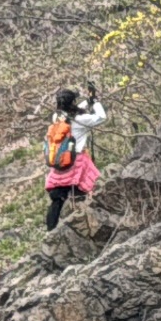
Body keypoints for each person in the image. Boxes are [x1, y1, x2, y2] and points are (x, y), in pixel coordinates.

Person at [43, 86, 106, 232]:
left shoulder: (57, 118)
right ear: (72, 102)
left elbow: (74, 110)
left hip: (60, 163)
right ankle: (88, 225)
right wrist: (95, 101)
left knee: (57, 199)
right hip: (77, 161)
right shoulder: (81, 120)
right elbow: (101, 117)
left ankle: (51, 230)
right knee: (94, 187)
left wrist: (87, 101)